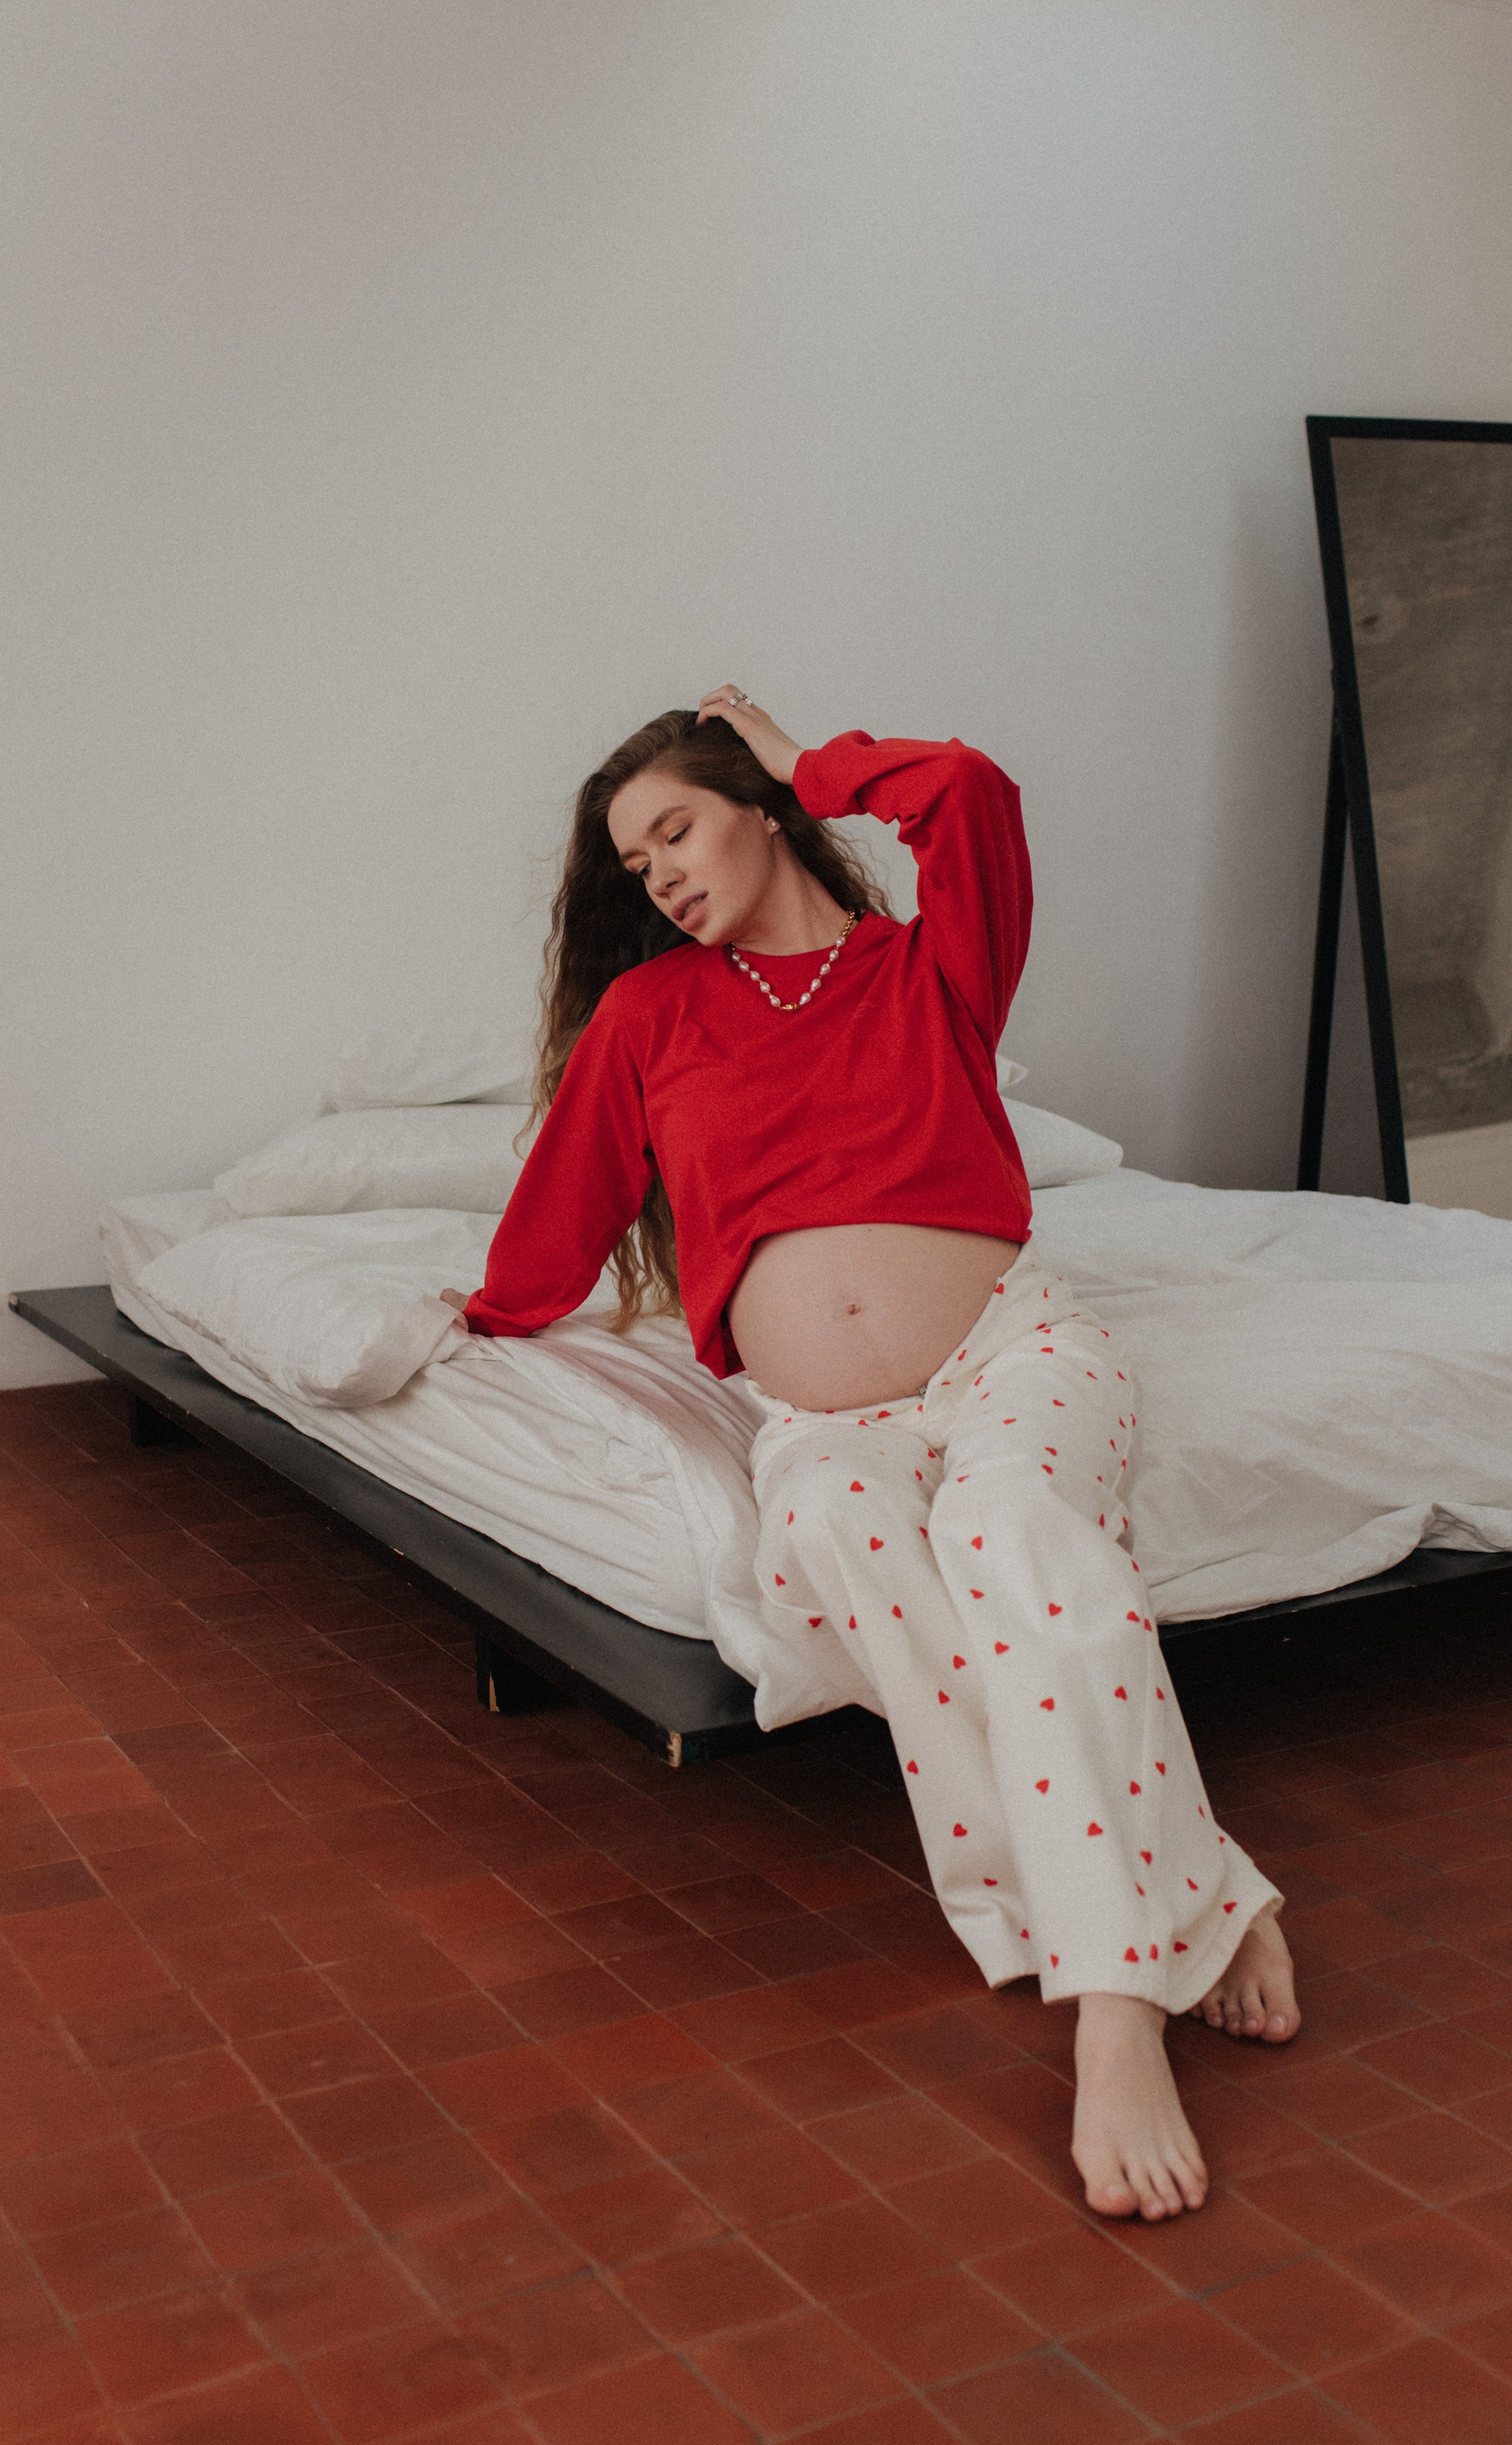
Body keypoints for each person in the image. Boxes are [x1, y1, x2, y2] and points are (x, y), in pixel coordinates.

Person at [442, 685, 1300, 2221]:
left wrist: (801, 755)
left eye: (678, 830)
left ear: (762, 810)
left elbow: (967, 789)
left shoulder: (930, 968)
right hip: (826, 1421)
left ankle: (1113, 2012)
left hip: (1014, 1357)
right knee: (837, 1535)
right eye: (636, 864)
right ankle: (1205, 1895)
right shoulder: (650, 1019)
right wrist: (480, 1318)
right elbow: (559, 1219)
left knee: (1009, 1538)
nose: (661, 875)